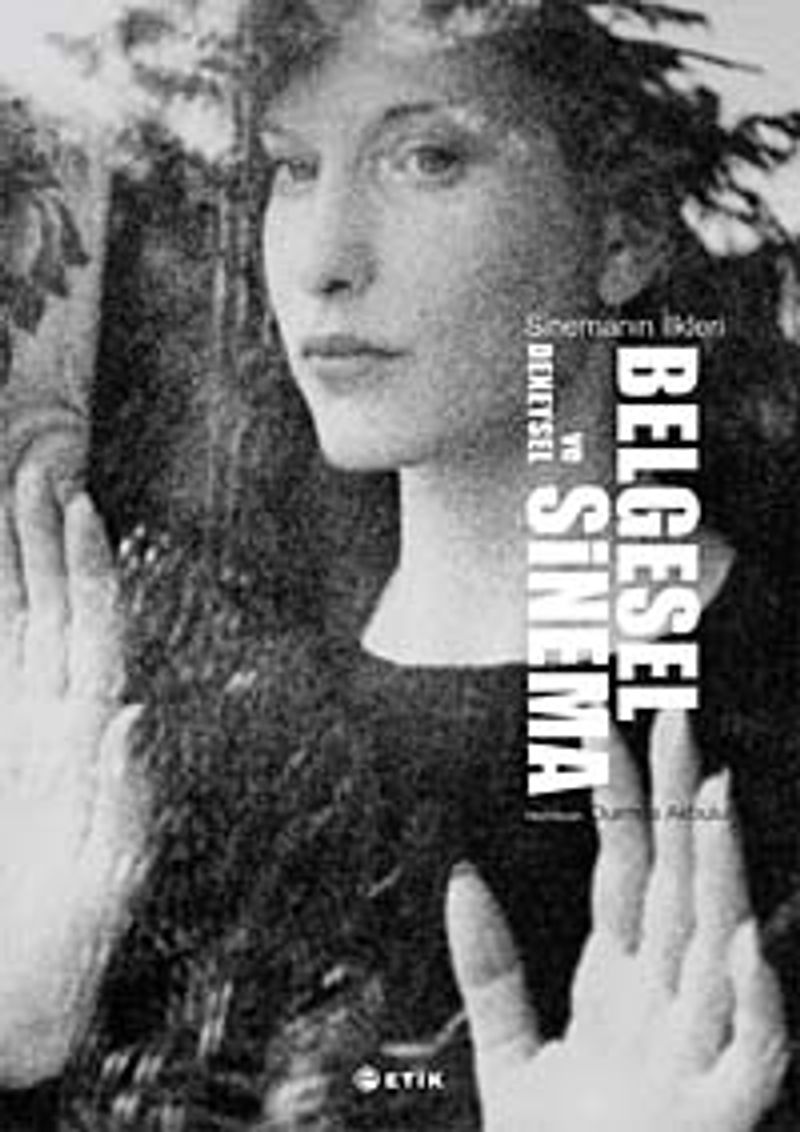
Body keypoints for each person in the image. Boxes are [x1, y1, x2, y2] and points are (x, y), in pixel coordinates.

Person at [0, 0, 798, 1128]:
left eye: (427, 159)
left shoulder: (765, 725)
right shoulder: (186, 714)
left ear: (620, 233)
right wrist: (23, 1042)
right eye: (293, 167)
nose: (325, 262)